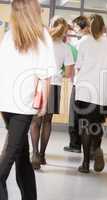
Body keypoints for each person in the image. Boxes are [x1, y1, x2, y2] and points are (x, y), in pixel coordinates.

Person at [0, 0, 56, 199]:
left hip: (22, 107)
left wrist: (43, 104)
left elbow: (46, 74)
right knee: (22, 157)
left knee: (2, 169)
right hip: (6, 105)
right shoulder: (9, 36)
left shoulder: (42, 37)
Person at [75, 14, 107, 173]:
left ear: (88, 26)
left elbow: (78, 66)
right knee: (96, 123)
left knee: (85, 126)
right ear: (104, 28)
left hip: (84, 90)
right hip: (102, 91)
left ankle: (86, 164)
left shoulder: (83, 42)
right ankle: (97, 148)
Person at [30, 16, 74, 170]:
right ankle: (42, 155)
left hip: (40, 86)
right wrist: (58, 73)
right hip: (54, 85)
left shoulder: (41, 43)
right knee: (48, 122)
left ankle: (34, 153)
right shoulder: (66, 47)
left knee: (35, 121)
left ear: (51, 25)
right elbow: (69, 73)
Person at [63, 16, 90, 154]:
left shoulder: (81, 43)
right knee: (87, 116)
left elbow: (75, 65)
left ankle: (75, 144)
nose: (74, 29)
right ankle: (88, 147)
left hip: (79, 83)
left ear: (82, 27)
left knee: (74, 115)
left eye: (76, 27)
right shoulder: (94, 41)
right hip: (91, 85)